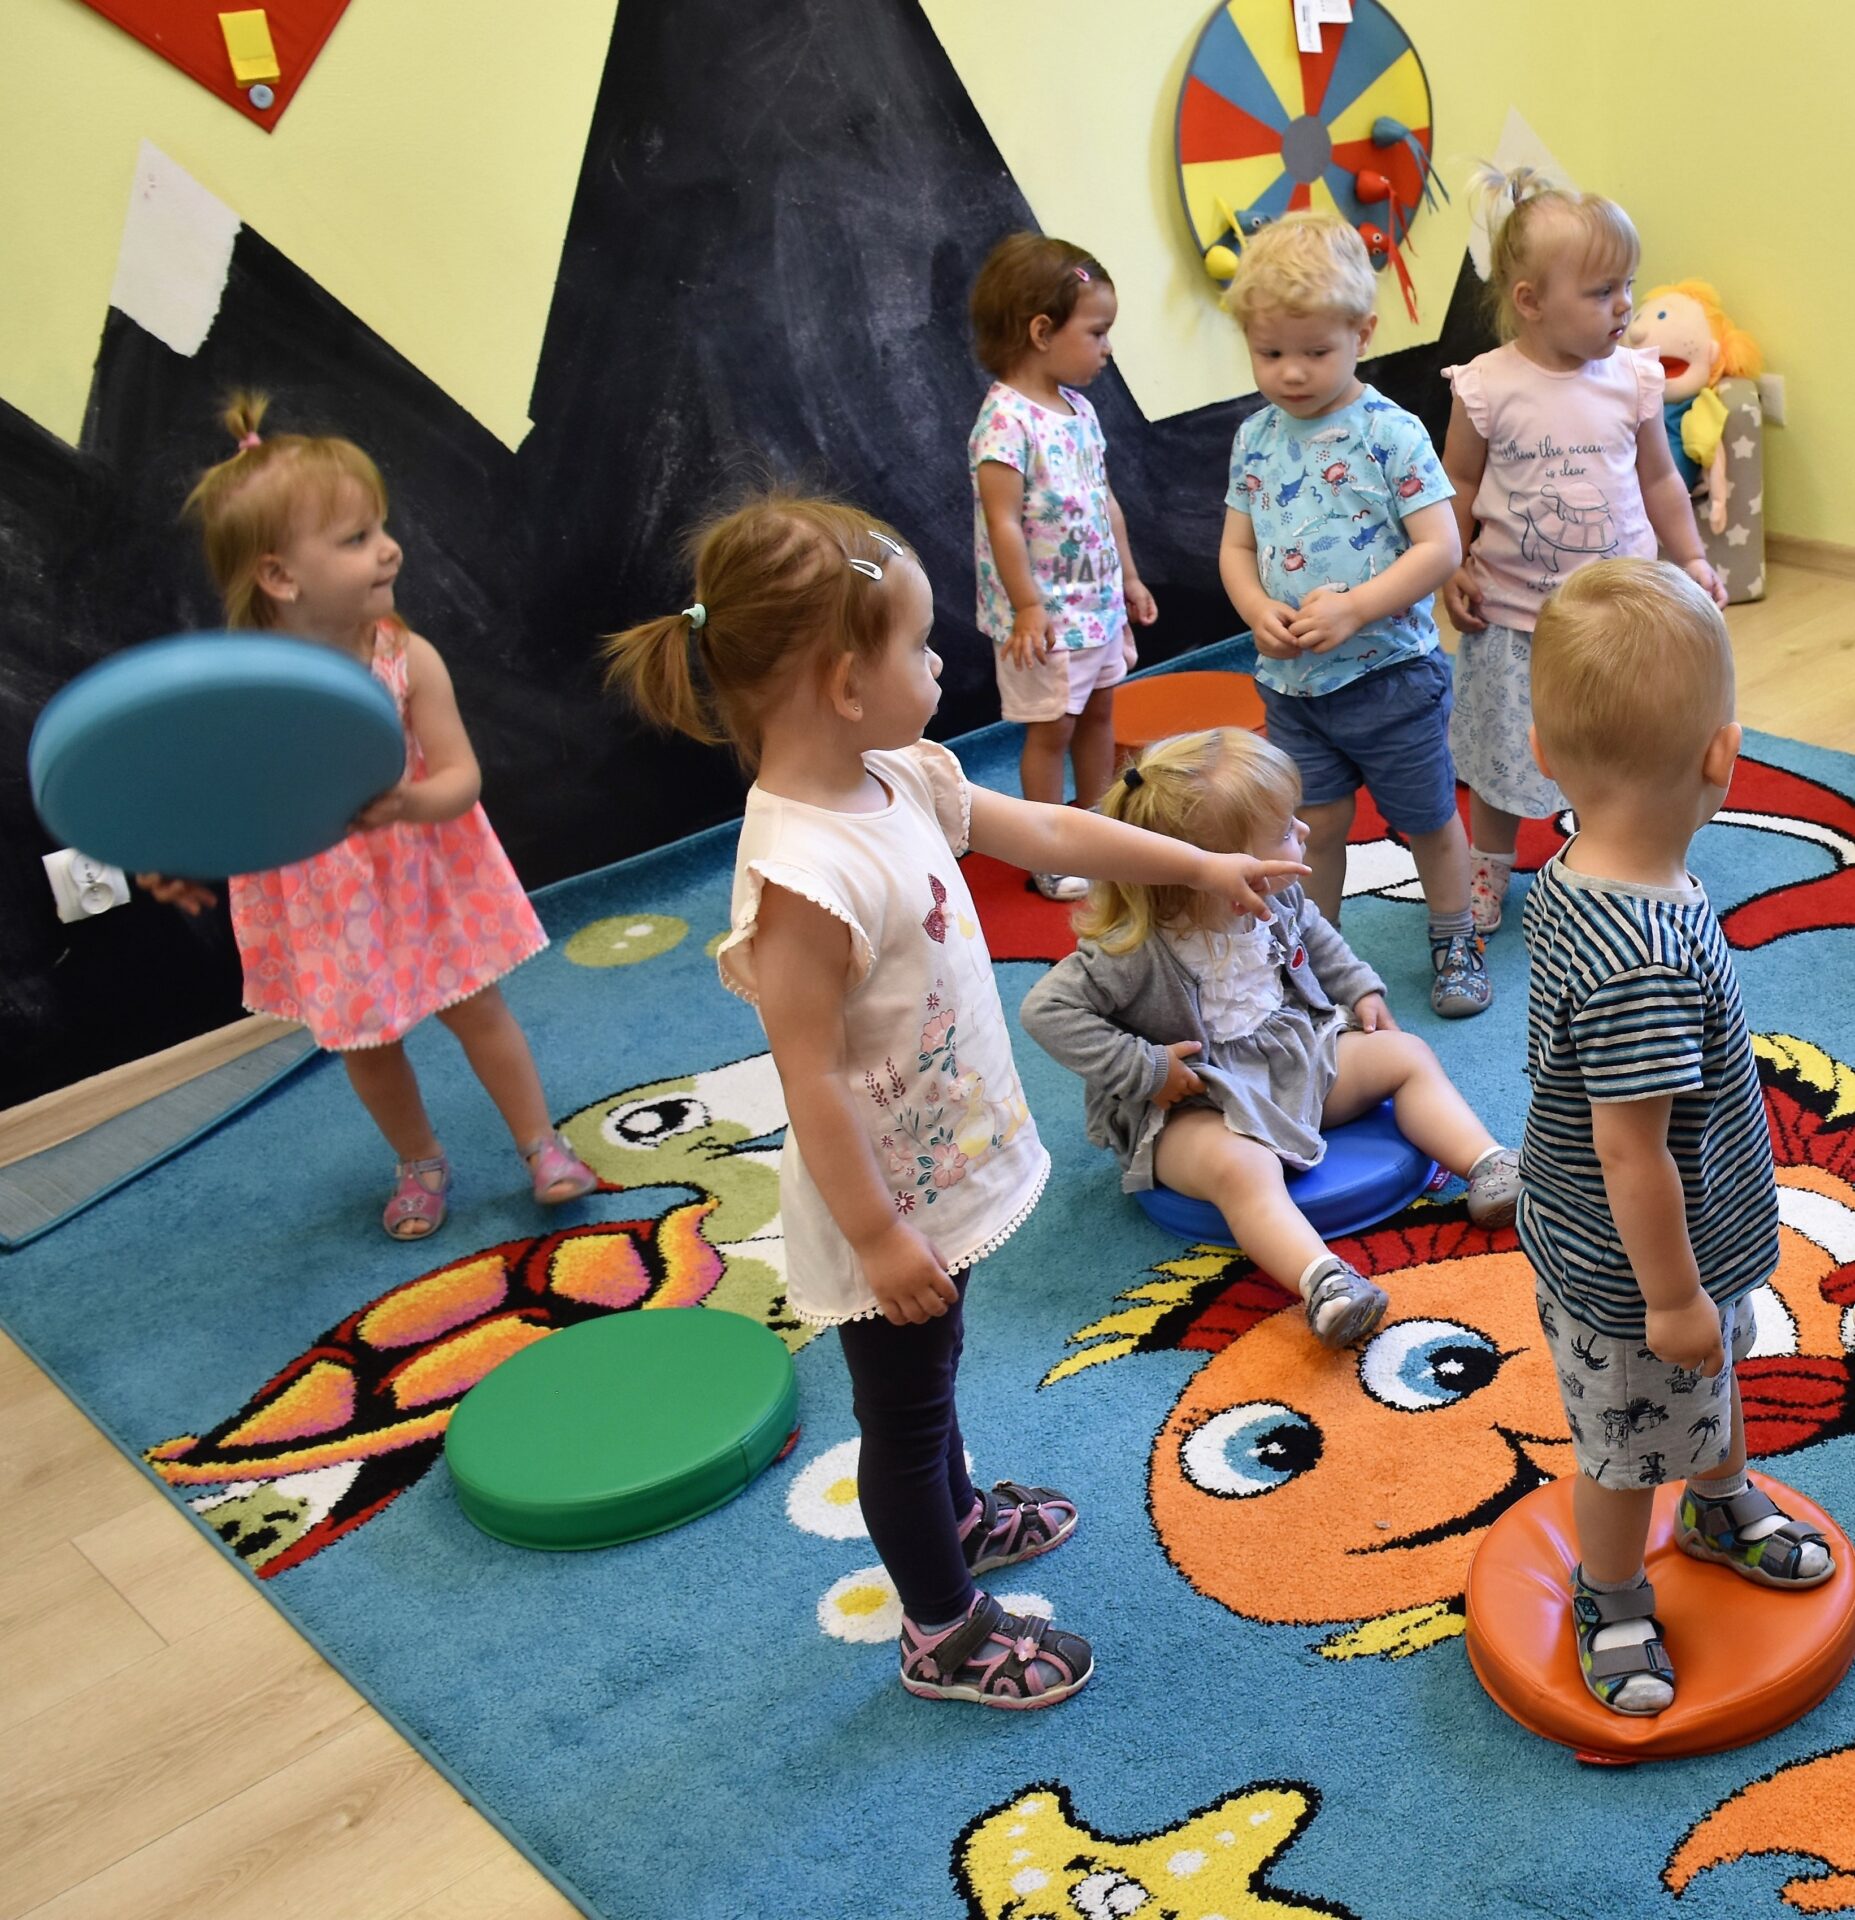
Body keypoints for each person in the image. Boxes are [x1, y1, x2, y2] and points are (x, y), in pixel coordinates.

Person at [601, 495, 1304, 1708]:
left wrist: (1198, 862)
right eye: (922, 646)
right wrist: (878, 1238)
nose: (942, 664)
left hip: (933, 1170)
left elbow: (1046, 828)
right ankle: (941, 1629)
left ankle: (959, 1519)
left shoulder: (896, 774)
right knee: (905, 1417)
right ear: (842, 683)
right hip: (880, 1205)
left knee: (935, 1379)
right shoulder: (801, 882)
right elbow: (809, 1077)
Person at [139, 395, 595, 1240]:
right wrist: (169, 851)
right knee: (366, 1044)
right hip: (323, 899)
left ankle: (541, 1143)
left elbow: (460, 777)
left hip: (423, 874)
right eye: (355, 538)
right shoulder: (246, 689)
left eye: (380, 527)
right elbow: (211, 791)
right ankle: (419, 1162)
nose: (390, 547)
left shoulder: (406, 657)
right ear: (280, 577)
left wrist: (410, 802)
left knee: (478, 1010)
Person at [1519, 558, 1833, 1717]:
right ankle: (1608, 1593)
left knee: (1711, 1374)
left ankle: (1713, 1502)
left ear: (1542, 754)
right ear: (1722, 756)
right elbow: (1629, 1152)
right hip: (1634, 1270)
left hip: (1673, 1242)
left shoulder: (1585, 869)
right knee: (1620, 1446)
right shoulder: (1641, 958)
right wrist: (1669, 1297)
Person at [1020, 727, 1519, 1350]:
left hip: (1293, 1060)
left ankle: (1488, 1165)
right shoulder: (1130, 952)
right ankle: (1326, 1283)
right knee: (1242, 1167)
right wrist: (1145, 1069)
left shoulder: (1279, 898)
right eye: (1285, 828)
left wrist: (1359, 988)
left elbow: (1317, 935)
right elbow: (1046, 1011)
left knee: (1406, 1055)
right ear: (1218, 868)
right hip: (1199, 1100)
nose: (1304, 831)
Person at [1441, 168, 1727, 938]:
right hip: (1513, 616)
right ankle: (1487, 867)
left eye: (1626, 285)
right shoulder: (1485, 387)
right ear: (1529, 300)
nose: (1624, 306)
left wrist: (1690, 559)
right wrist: (1450, 566)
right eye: (1601, 292)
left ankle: (1628, 854)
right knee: (1504, 752)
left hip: (1619, 616)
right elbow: (1455, 484)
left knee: (1627, 739)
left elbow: (1659, 479)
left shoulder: (1632, 379)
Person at [1217, 212, 1486, 1018]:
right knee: (1313, 824)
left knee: (1427, 818)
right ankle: (1316, 952)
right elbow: (1236, 547)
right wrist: (1256, 609)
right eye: (1269, 353)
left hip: (1392, 677)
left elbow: (1439, 546)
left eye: (1314, 351)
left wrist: (1355, 610)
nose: (1291, 373)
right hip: (1294, 689)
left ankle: (1455, 938)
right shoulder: (1253, 438)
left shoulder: (1389, 434)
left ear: (1361, 334)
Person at [968, 232, 1157, 902]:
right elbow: (1001, 522)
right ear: (1042, 331)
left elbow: (1104, 501)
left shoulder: (1079, 411)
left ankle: (1096, 827)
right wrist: (1027, 605)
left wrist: (1128, 577)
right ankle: (1047, 851)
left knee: (1100, 714)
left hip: (1095, 607)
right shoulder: (1004, 421)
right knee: (1053, 729)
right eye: (1097, 332)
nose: (1107, 348)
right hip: (1045, 620)